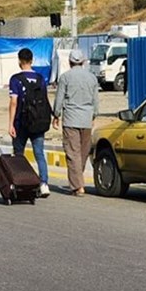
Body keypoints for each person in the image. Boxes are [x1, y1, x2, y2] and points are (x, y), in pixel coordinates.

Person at [52, 49, 100, 197]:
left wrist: (56, 114)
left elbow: (59, 98)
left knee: (73, 153)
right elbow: (95, 100)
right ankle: (78, 181)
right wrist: (94, 115)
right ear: (83, 61)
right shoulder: (92, 78)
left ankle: (78, 186)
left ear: (70, 62)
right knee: (83, 152)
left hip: (71, 118)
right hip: (86, 119)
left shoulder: (65, 77)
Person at [8, 49, 51, 198]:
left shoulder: (15, 79)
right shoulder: (40, 78)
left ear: (19, 61)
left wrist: (11, 123)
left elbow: (14, 102)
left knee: (19, 154)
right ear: (32, 60)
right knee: (39, 153)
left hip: (21, 122)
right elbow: (45, 100)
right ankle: (44, 183)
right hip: (38, 121)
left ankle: (21, 182)